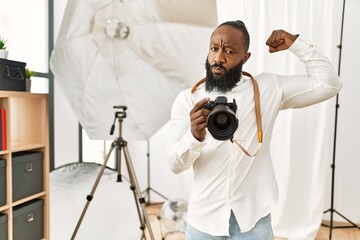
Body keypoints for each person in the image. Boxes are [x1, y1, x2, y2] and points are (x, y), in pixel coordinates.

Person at [165, 20, 343, 239]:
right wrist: (193, 136)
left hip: (253, 222)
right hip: (204, 222)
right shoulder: (188, 99)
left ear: (245, 57)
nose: (218, 58)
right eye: (214, 48)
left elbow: (329, 84)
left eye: (229, 51)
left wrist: (296, 44)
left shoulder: (268, 88)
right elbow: (174, 165)